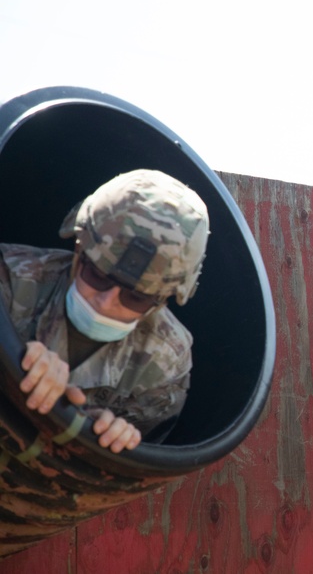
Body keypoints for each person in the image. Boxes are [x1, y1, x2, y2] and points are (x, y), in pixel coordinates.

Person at [0, 169, 209, 453]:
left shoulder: (165, 361)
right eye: (98, 276)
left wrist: (96, 437)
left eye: (135, 297)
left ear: (161, 301)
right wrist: (10, 368)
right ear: (78, 249)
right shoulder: (10, 279)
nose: (107, 301)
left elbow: (141, 460)